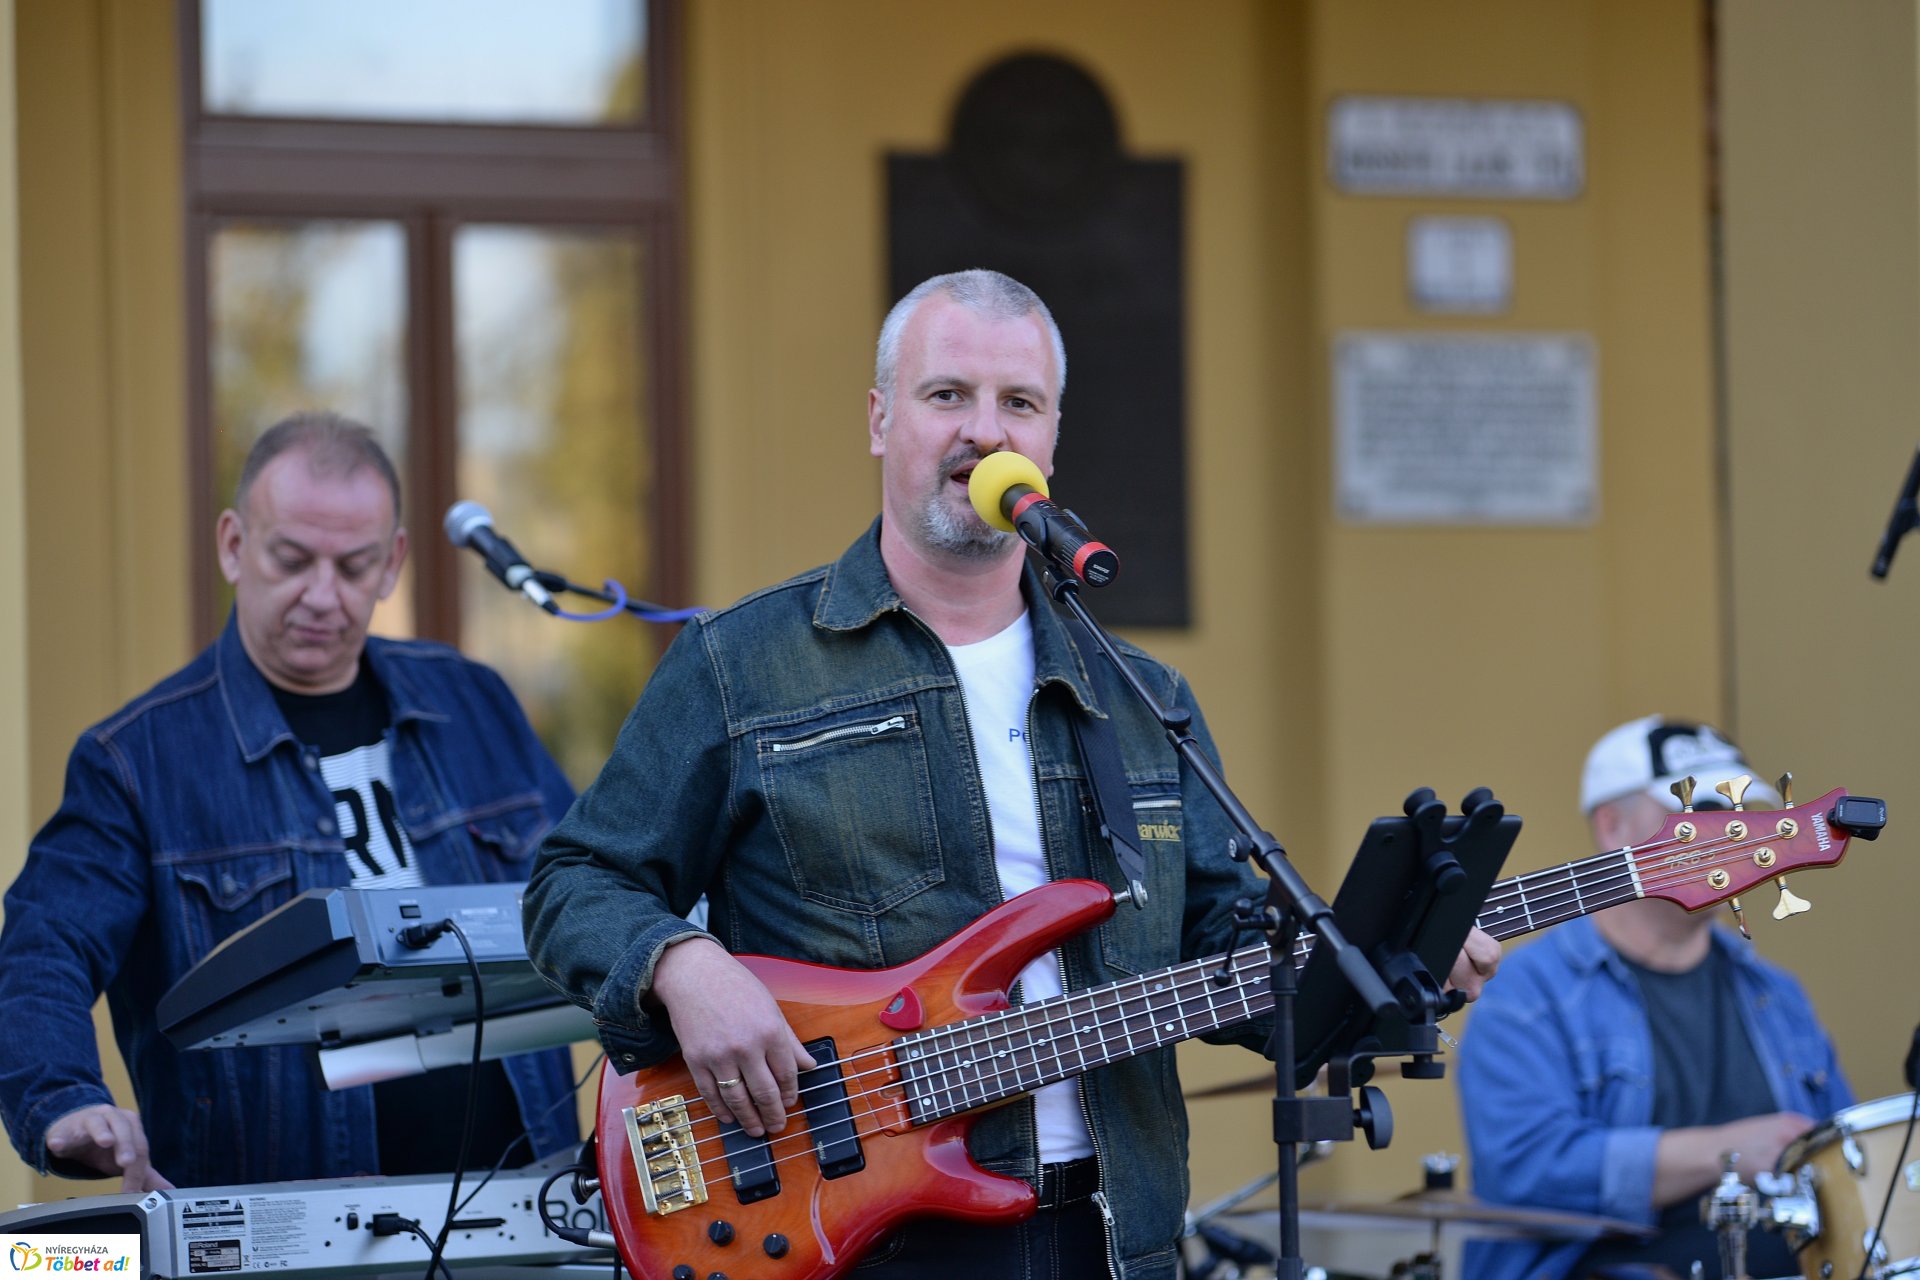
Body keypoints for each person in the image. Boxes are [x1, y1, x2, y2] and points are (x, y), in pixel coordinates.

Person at [524, 269, 1502, 1280]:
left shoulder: (1140, 695)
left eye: (1019, 403)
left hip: (1114, 1237)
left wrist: (1387, 967)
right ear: (880, 419)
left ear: (1050, 440)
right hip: (852, 1234)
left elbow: (1224, 948)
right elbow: (573, 882)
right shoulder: (741, 665)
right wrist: (684, 967)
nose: (984, 431)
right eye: (948, 394)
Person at [0, 413, 581, 1192]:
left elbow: (594, 886)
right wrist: (64, 1100)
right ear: (233, 546)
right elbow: (45, 944)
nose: (322, 595)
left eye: (354, 566)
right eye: (292, 559)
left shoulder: (474, 702)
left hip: (531, 1202)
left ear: (392, 563)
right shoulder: (136, 760)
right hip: (274, 1222)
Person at [1458, 715, 1853, 1280]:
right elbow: (1523, 1169)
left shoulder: (1777, 994)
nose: (1734, 834)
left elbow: (1850, 1162)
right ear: (1612, 826)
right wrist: (1725, 1152)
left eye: (1743, 812)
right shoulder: (1525, 993)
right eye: (1701, 811)